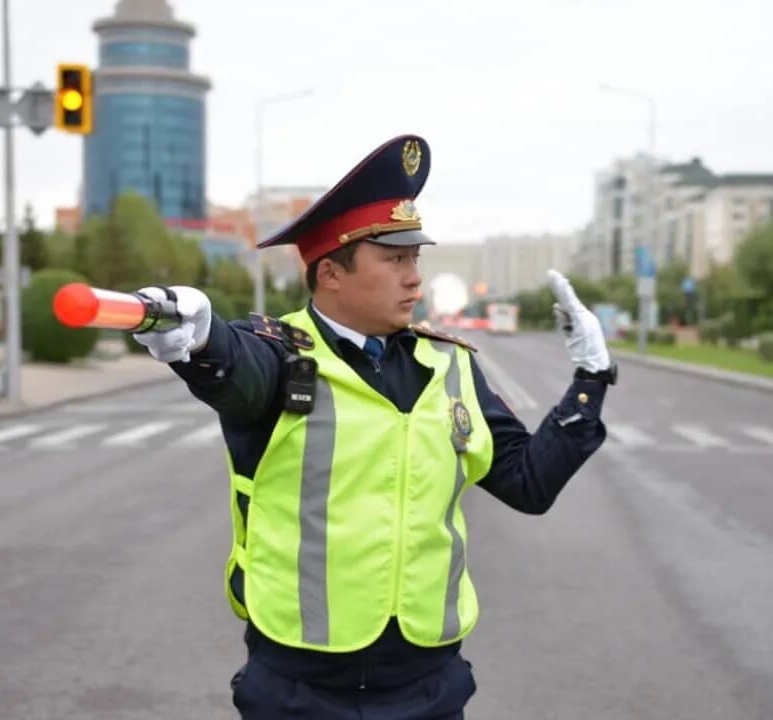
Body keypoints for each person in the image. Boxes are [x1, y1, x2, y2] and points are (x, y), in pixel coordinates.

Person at [133, 135, 616, 719]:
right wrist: (198, 341)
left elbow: (528, 484)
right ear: (331, 273)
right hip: (300, 690)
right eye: (394, 259)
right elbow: (232, 368)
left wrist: (590, 379)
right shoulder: (279, 355)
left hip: (429, 685)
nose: (415, 278)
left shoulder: (452, 366)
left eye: (415, 258)